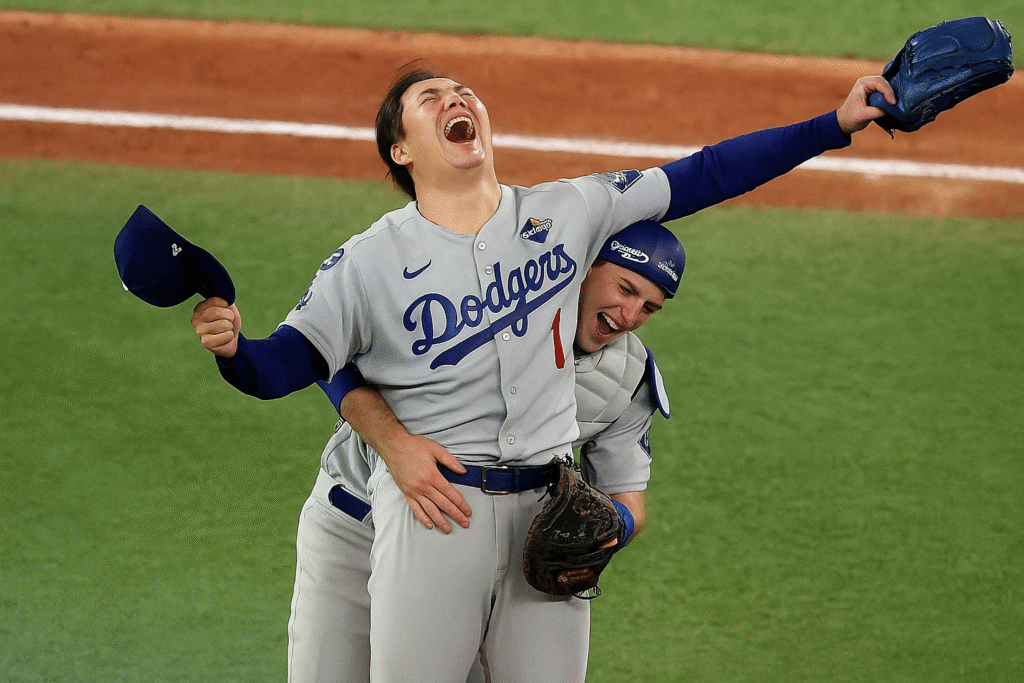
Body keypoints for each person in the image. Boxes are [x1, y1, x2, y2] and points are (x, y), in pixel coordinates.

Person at [191, 65, 895, 682]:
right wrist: (234, 349)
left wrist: (832, 124)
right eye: (429, 97)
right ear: (401, 149)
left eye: (463, 91)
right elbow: (286, 363)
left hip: (544, 510)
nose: (454, 98)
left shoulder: (570, 212)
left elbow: (705, 172)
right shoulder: (367, 262)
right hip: (434, 509)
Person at [287, 220, 682, 683]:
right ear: (584, 265)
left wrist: (608, 529)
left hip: (464, 542)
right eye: (625, 288)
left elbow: (628, 498)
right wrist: (396, 445)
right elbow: (323, 350)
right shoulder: (478, 304)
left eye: (649, 308)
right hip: (354, 527)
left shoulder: (627, 376)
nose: (631, 314)